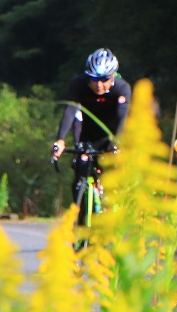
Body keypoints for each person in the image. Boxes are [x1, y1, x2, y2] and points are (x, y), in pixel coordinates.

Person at [51, 47, 132, 202]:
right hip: (88, 135)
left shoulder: (122, 88)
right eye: (94, 79)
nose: (99, 85)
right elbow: (70, 111)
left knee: (115, 173)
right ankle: (78, 215)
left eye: (104, 80)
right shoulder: (78, 84)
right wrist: (60, 140)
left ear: (113, 76)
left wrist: (119, 143)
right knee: (81, 166)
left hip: (112, 134)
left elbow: (123, 117)